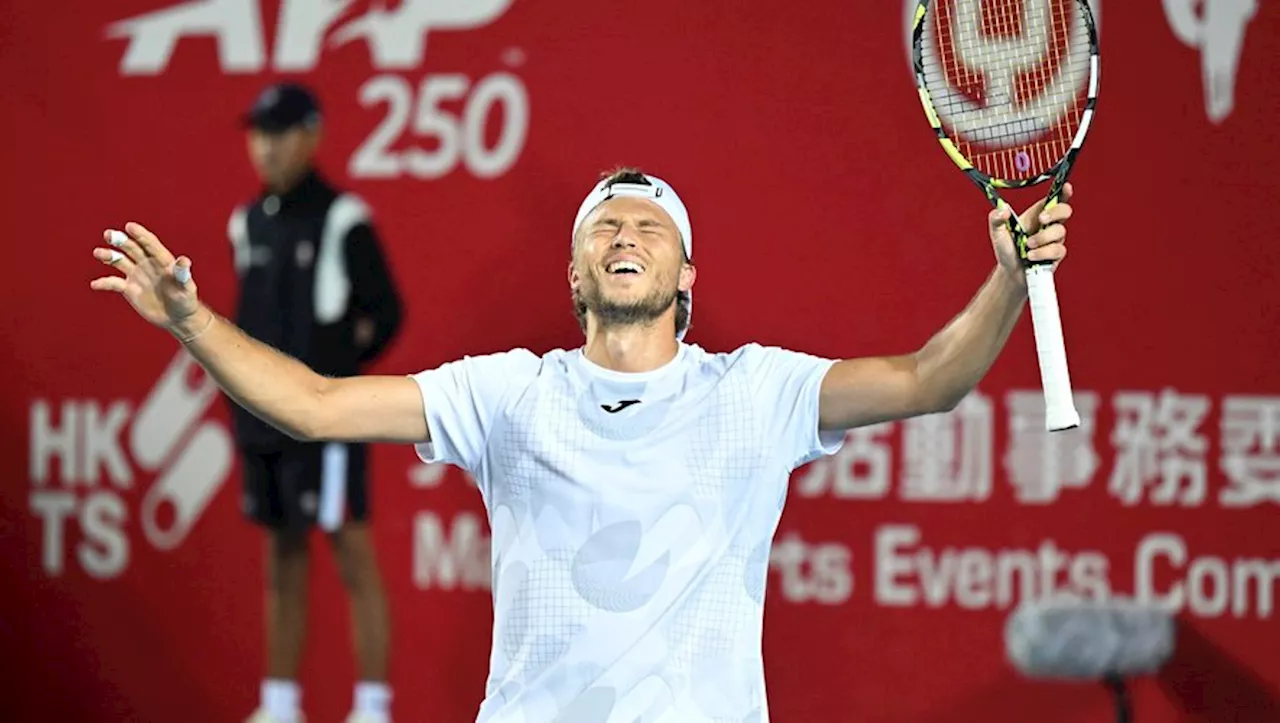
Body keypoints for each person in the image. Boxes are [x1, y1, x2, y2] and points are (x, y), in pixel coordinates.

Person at [90, 167, 1074, 722]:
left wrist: (1004, 279)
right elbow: (309, 405)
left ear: (685, 271)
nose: (624, 233)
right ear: (575, 272)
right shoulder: (508, 393)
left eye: (647, 223)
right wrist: (190, 321)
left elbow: (928, 380)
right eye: (603, 224)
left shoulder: (756, 392)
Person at [225, 82, 403, 723]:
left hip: (327, 424)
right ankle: (279, 705)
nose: (265, 147)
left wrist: (335, 371)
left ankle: (372, 707)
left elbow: (385, 313)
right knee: (281, 555)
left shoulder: (343, 218)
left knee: (351, 549)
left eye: (279, 132)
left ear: (312, 135)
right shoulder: (246, 223)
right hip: (261, 423)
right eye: (258, 133)